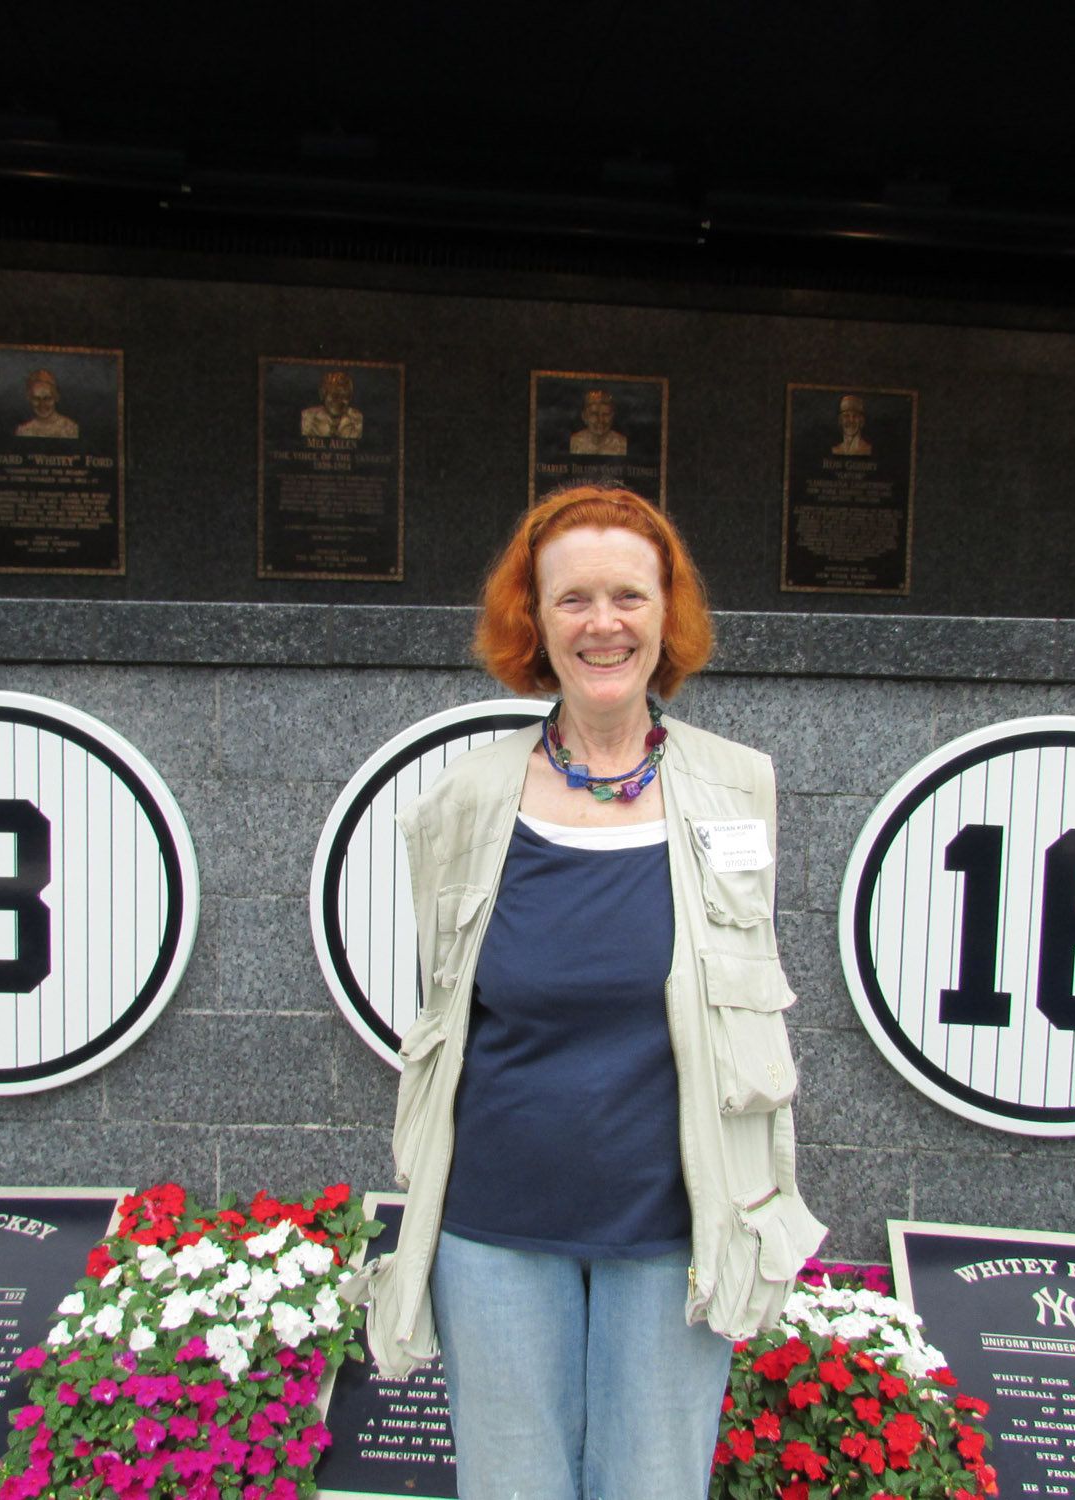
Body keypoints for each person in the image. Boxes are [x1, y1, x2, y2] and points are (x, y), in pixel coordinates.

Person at [351, 484, 825, 1500]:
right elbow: (448, 1012)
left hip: (676, 1227)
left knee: (654, 1483)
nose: (602, 623)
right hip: (493, 1226)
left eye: (628, 596)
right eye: (572, 600)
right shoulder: (466, 800)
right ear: (535, 621)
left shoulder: (740, 788)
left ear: (667, 615)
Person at [15, 369, 79, 439]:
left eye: (47, 399)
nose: (42, 405)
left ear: (56, 397)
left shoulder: (70, 429)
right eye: (36, 399)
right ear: (29, 399)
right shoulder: (23, 431)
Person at [301, 370, 364, 439]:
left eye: (344, 396)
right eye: (335, 396)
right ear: (323, 395)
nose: (339, 401)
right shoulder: (307, 418)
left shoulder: (358, 419)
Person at [569, 388, 627, 455]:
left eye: (605, 414)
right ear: (584, 416)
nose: (600, 420)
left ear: (612, 416)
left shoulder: (622, 443)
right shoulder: (574, 443)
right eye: (594, 414)